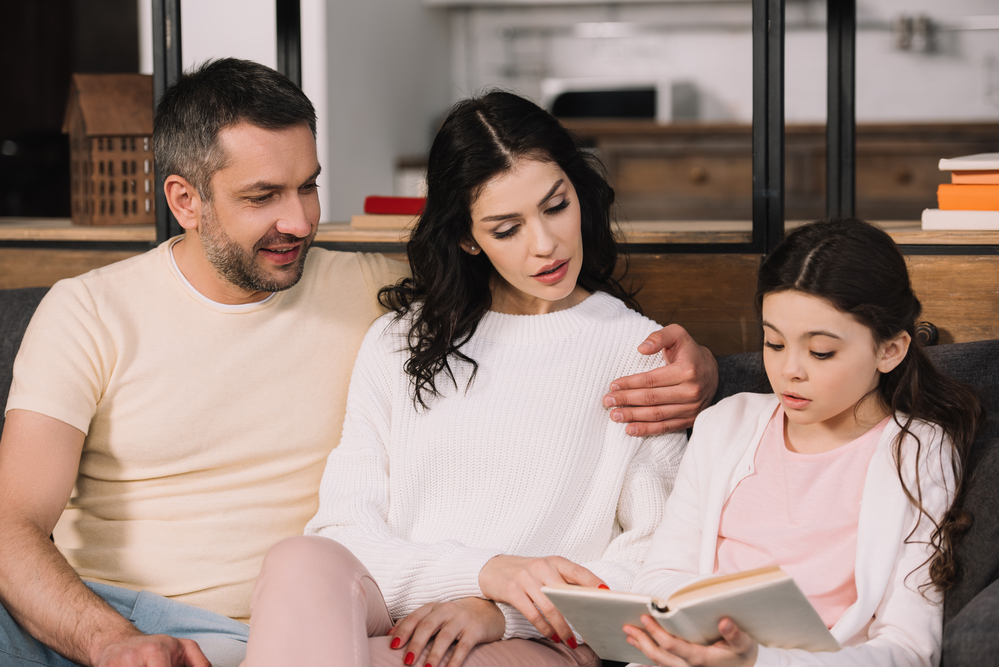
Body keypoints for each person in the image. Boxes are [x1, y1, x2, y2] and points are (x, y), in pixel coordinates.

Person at [0, 63, 717, 667]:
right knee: (297, 561)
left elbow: (656, 551)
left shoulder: (381, 296)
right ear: (185, 201)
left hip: (340, 631)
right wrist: (111, 641)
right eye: (263, 197)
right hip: (130, 614)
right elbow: (10, 522)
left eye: (308, 185)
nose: (302, 221)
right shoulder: (91, 311)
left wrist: (704, 374)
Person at [239, 91, 689, 667]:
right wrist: (482, 574)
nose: (545, 245)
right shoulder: (399, 342)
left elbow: (656, 557)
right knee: (299, 560)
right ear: (467, 237)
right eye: (507, 229)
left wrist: (502, 612)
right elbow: (344, 530)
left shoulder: (638, 352)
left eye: (556, 206)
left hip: (539, 640)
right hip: (400, 603)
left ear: (579, 191)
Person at [623, 218, 984, 667]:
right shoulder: (725, 425)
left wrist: (757, 660)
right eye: (774, 343)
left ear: (890, 350)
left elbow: (910, 649)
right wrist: (710, 636)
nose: (789, 370)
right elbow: (659, 577)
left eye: (820, 352)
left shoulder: (918, 452)